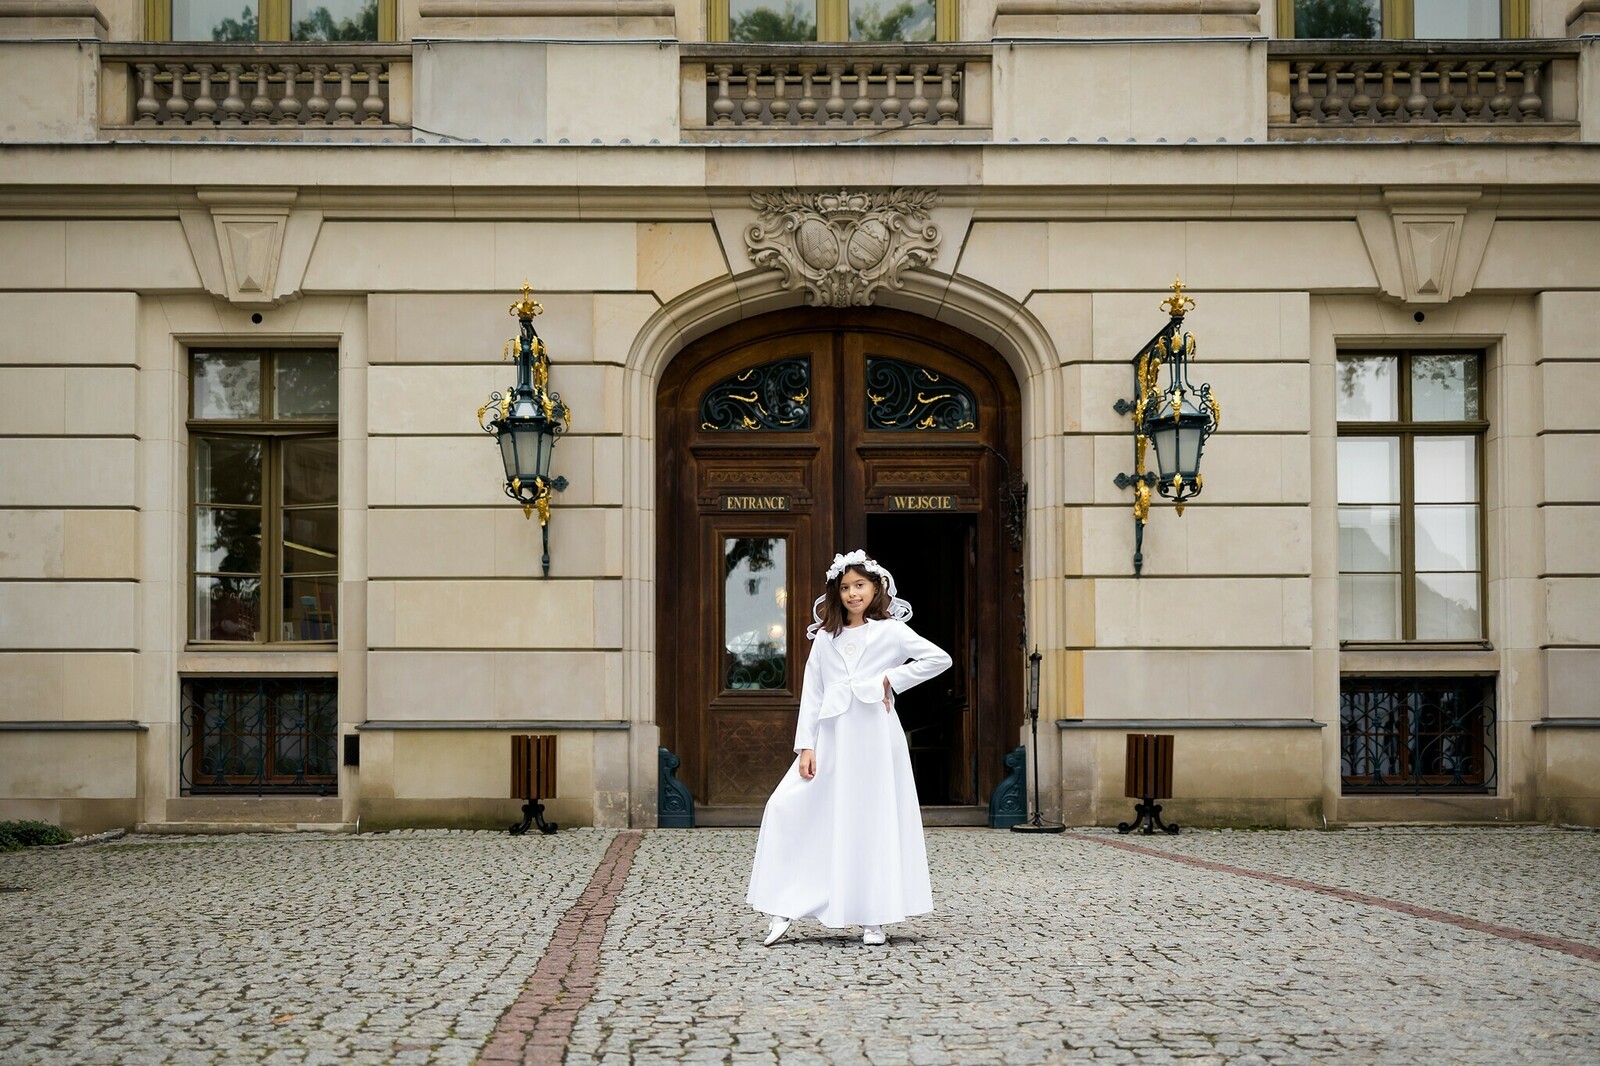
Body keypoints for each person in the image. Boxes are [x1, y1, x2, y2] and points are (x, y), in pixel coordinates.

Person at [746, 549, 952, 947]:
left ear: (876, 588)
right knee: (789, 807)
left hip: (875, 735)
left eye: (860, 585)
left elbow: (937, 658)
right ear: (836, 593)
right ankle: (784, 905)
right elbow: (812, 692)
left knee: (870, 820)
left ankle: (873, 915)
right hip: (833, 735)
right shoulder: (825, 638)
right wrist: (806, 746)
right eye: (845, 587)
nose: (853, 593)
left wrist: (890, 680)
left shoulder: (891, 632)